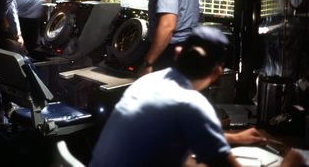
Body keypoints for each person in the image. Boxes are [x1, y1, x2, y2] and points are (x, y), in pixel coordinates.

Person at [89, 26, 304, 167]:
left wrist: (235, 138)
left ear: (178, 53)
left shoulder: (147, 82)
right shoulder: (192, 105)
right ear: (217, 73)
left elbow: (175, 134)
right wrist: (290, 164)